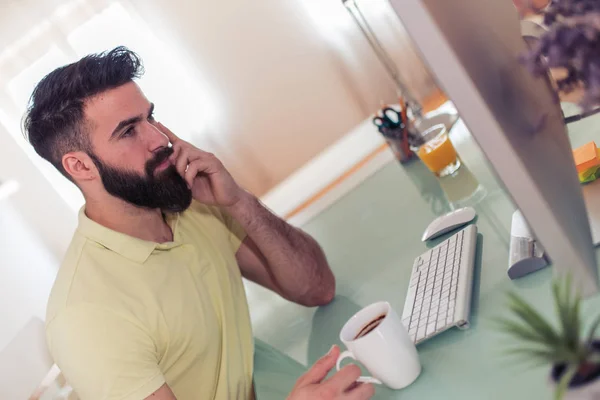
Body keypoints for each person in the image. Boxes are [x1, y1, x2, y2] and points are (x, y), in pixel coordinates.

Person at [24, 47, 375, 400]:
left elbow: (317, 288)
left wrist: (238, 201)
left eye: (150, 118)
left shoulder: (192, 205)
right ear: (80, 167)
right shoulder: (85, 315)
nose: (159, 140)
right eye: (129, 132)